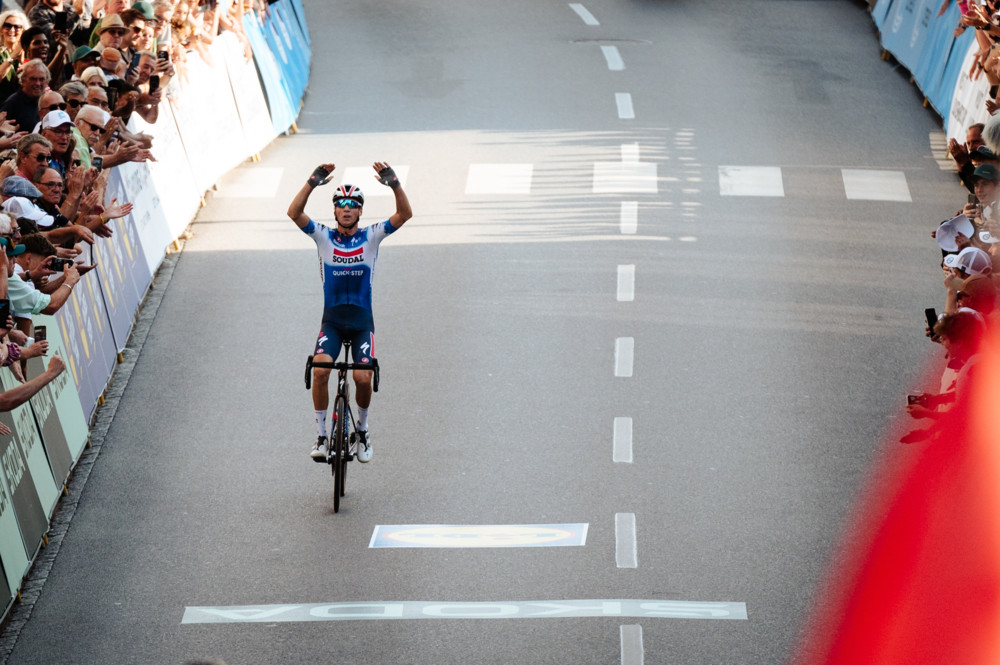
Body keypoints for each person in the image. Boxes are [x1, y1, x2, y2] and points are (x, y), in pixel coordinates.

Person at [286, 161, 411, 463]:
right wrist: (312, 181)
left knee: (364, 378)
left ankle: (363, 431)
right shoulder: (323, 236)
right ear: (334, 211)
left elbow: (405, 215)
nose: (346, 208)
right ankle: (321, 434)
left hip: (360, 322)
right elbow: (293, 213)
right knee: (320, 371)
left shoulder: (372, 236)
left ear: (360, 211)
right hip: (332, 321)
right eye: (340, 204)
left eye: (352, 205)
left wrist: (394, 184)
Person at [0, 59, 48, 134]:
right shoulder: (12, 104)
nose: (38, 83)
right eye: (33, 79)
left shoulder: (48, 102)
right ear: (23, 80)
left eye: (41, 79)